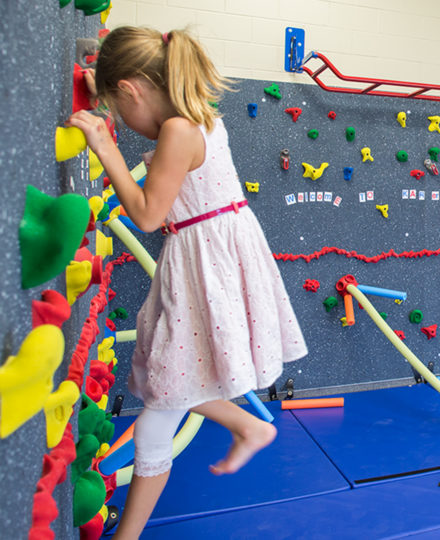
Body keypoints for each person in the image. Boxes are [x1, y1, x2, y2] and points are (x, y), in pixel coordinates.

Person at [67, 27, 307, 539]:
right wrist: (97, 83)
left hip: (204, 264)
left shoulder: (178, 130)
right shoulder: (197, 114)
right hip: (210, 256)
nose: (120, 117)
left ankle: (132, 531)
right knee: (166, 380)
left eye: (116, 101)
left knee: (162, 394)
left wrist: (107, 148)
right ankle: (246, 425)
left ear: (132, 89)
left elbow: (149, 215)